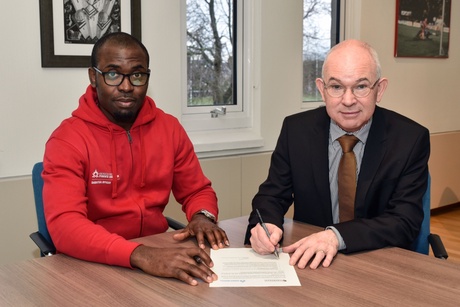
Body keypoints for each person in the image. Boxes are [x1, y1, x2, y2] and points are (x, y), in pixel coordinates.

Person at [42, 32, 229, 286]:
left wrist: (202, 216)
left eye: (137, 75)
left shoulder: (169, 128)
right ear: (93, 77)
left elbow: (197, 190)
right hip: (92, 264)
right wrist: (141, 255)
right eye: (112, 74)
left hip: (156, 255)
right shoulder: (68, 139)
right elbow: (65, 226)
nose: (127, 86)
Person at [245, 39, 429, 270]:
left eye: (361, 86)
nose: (348, 100)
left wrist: (335, 236)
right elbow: (272, 194)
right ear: (322, 90)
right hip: (312, 263)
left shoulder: (409, 139)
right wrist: (266, 225)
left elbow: (405, 221)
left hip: (379, 262)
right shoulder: (296, 130)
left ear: (379, 90)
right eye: (336, 87)